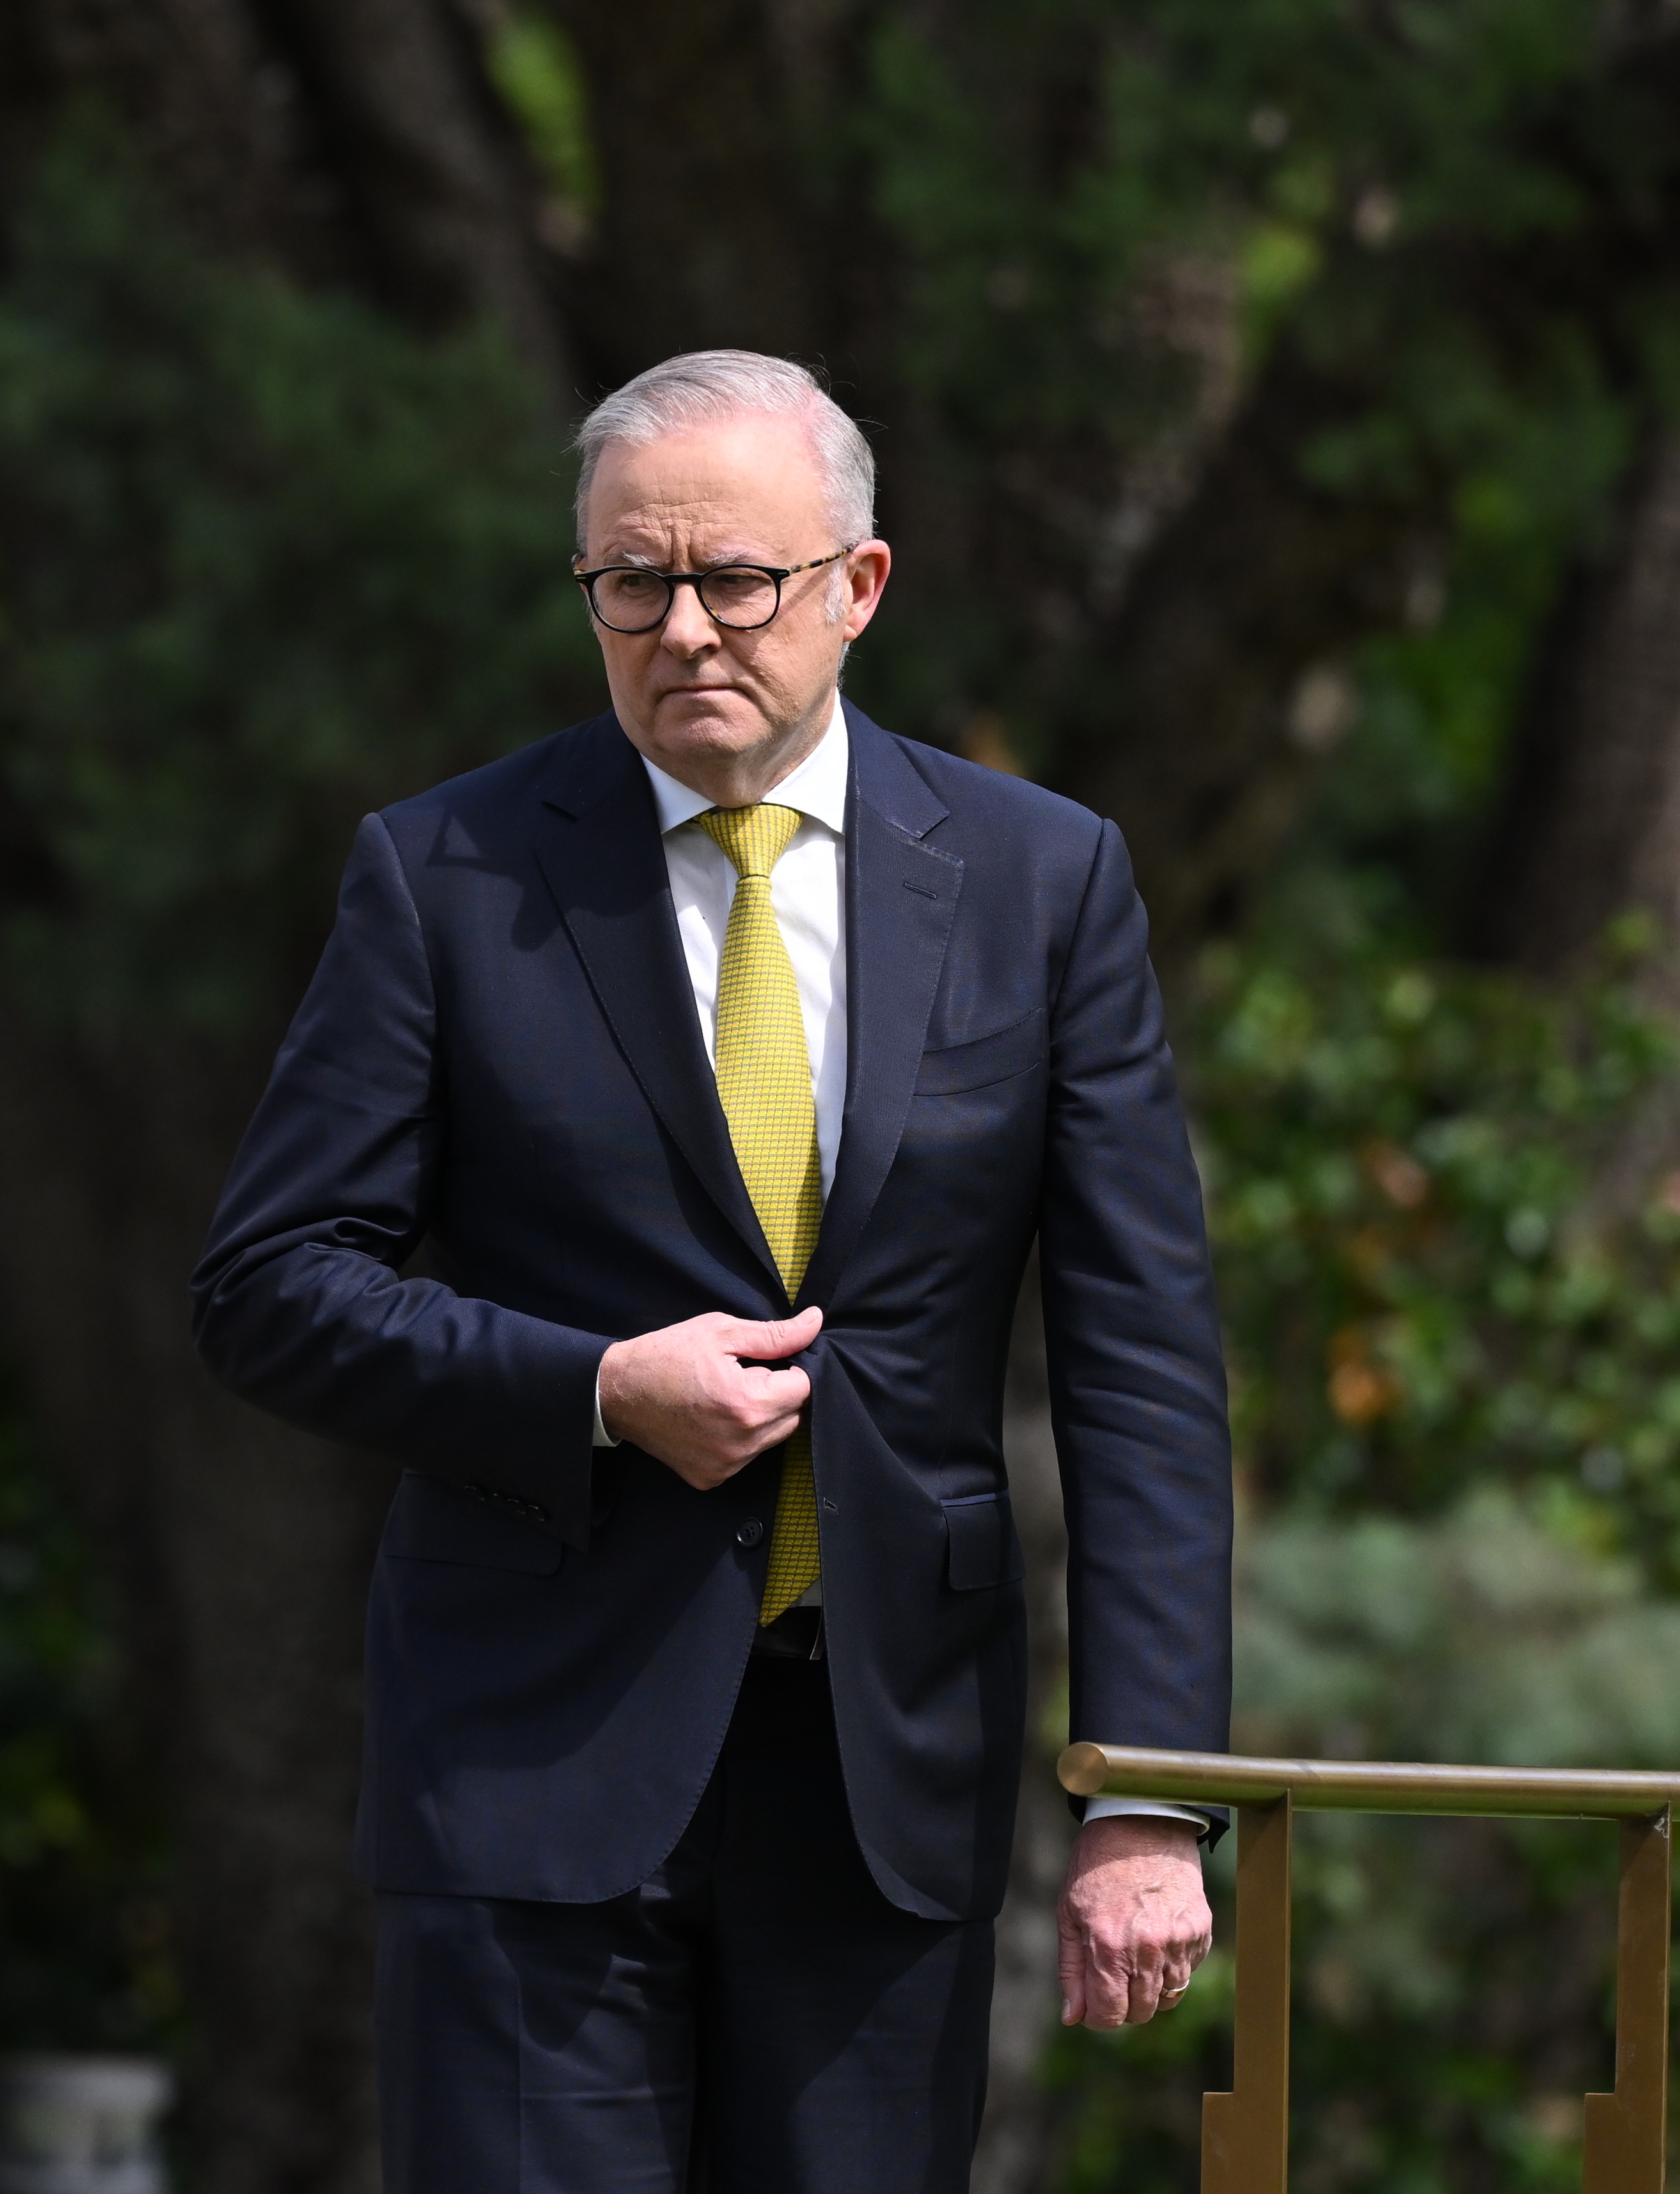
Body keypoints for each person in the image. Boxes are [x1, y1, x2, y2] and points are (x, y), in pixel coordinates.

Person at [191, 349, 1233, 2194]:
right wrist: (590, 1392)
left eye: (734, 581)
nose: (682, 630)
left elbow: (1139, 1357)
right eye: (628, 586)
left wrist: (1145, 1792)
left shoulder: (1040, 880)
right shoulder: (445, 872)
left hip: (882, 1777)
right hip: (529, 1766)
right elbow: (271, 1282)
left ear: (858, 586)